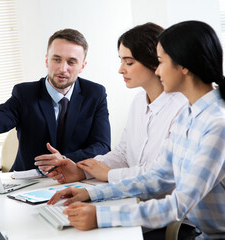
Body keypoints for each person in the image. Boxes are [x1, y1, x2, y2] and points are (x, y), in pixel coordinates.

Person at [47, 21, 225, 239]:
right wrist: (91, 193)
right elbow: (159, 177)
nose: (158, 70)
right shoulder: (189, 115)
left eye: (161, 62)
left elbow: (179, 204)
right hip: (210, 234)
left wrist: (101, 216)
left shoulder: (219, 124)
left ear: (183, 66)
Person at [38, 23, 188, 183]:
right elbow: (123, 153)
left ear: (153, 61)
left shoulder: (183, 107)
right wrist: (81, 171)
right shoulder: (139, 102)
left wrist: (109, 175)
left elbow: (164, 172)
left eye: (129, 63)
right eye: (121, 61)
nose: (121, 69)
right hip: (134, 195)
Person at [0, 28, 111, 171]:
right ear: (47, 61)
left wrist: (65, 159)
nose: (63, 68)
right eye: (56, 59)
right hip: (28, 181)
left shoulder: (95, 94)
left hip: (75, 179)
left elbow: (102, 145)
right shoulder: (25, 93)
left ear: (82, 66)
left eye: (71, 62)